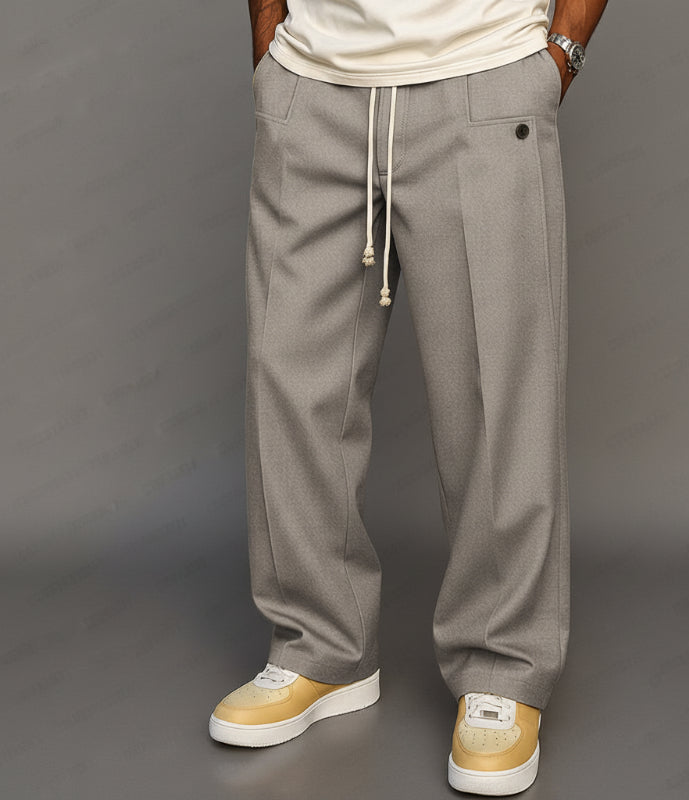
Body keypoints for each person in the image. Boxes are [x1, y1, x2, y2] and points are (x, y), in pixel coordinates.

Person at [209, 0, 607, 793]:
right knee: (291, 384)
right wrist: (271, 44)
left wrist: (561, 51)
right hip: (313, 86)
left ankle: (503, 667)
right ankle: (319, 645)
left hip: (481, 73)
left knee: (496, 397)